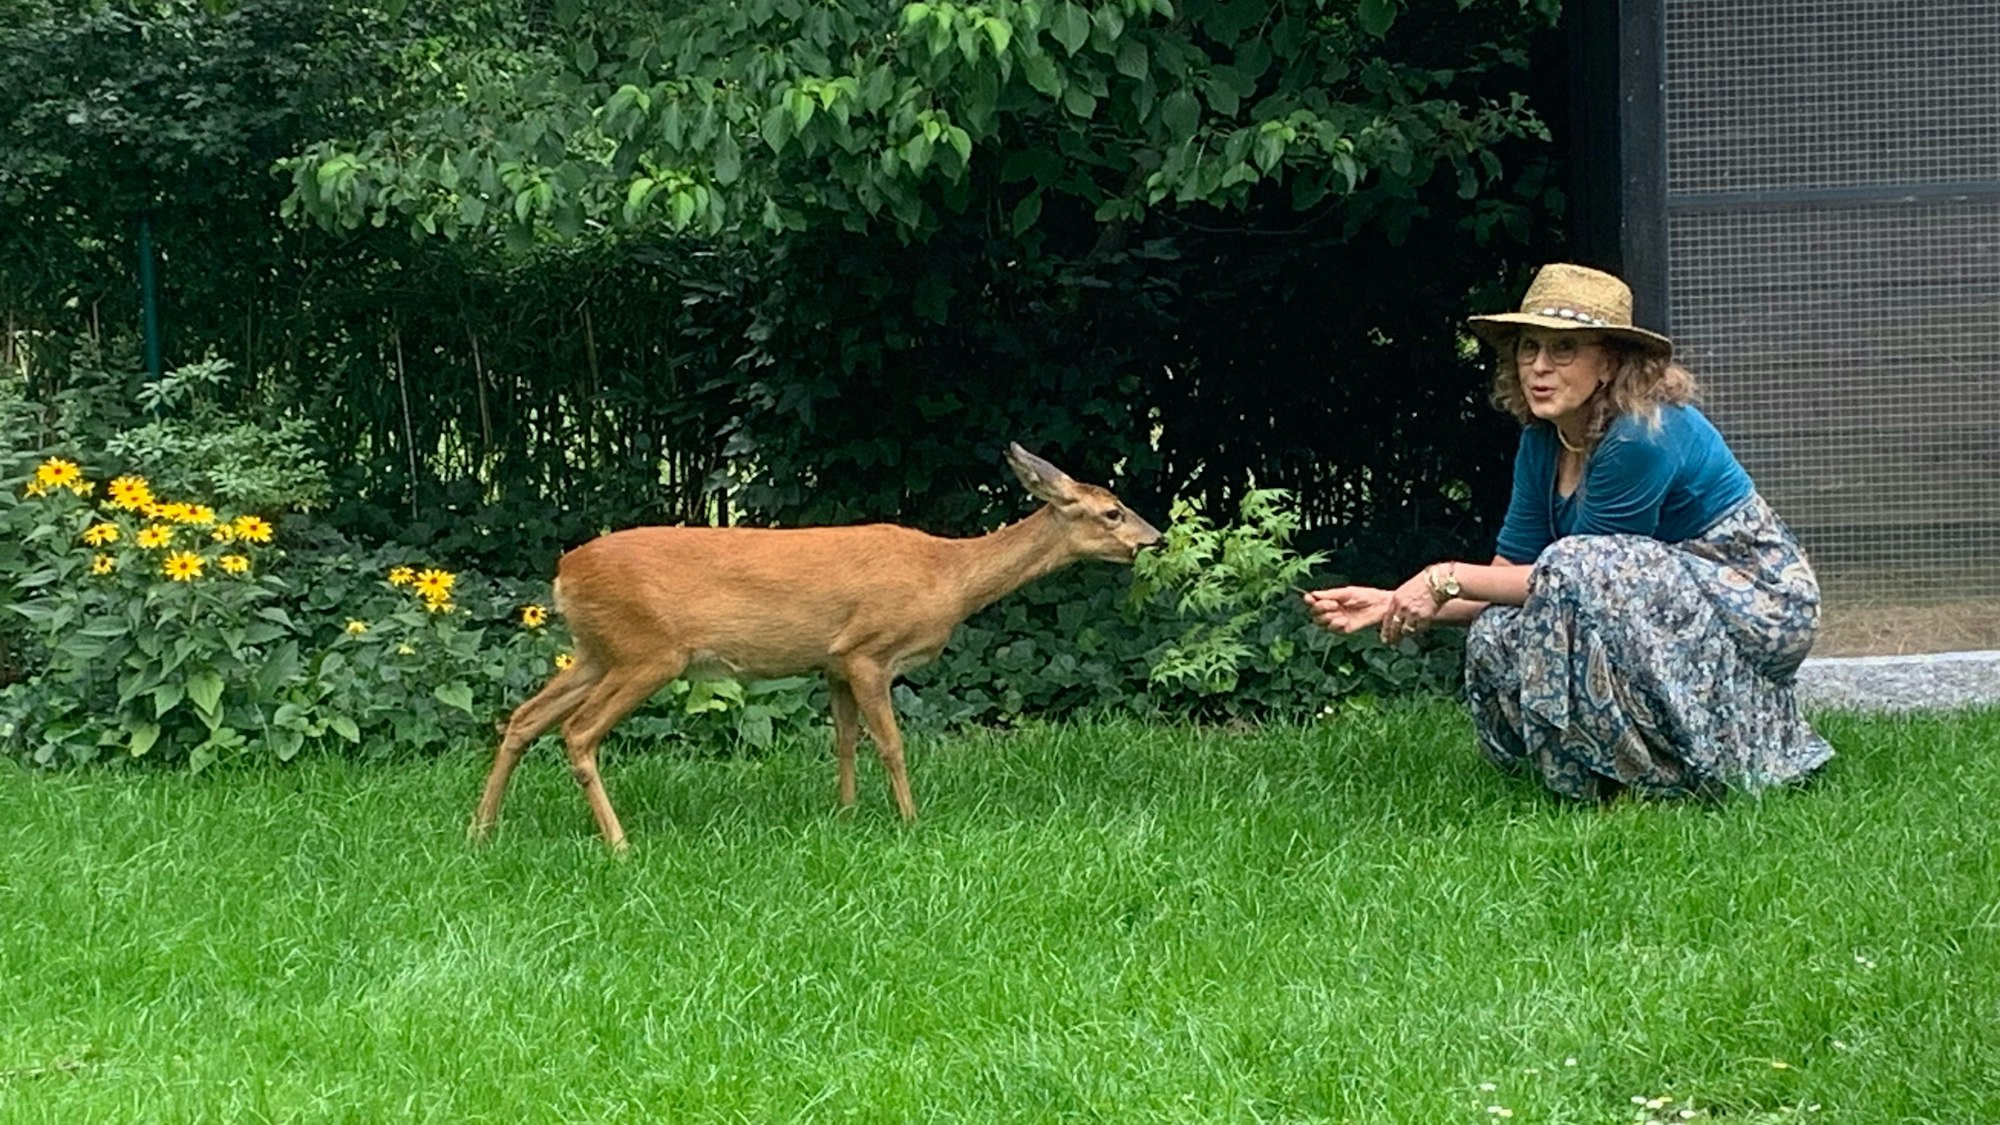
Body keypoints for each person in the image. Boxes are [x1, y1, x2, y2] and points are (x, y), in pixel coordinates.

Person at [1303, 263, 1833, 800]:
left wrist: (1442, 577)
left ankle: (1662, 777)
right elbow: (1508, 579)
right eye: (1528, 347)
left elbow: (1584, 581)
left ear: (1607, 363)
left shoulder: (1640, 435)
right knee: (1497, 627)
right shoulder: (1543, 441)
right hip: (1656, 594)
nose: (1539, 367)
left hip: (1760, 604)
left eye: (1564, 350)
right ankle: (1591, 779)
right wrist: (1396, 601)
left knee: (1579, 565)